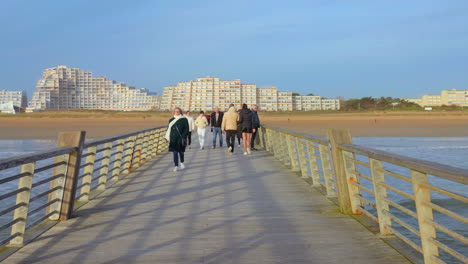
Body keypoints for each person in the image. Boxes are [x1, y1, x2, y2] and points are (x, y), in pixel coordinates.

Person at [165, 107, 189, 172]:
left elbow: (186, 129)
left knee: (181, 152)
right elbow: (169, 129)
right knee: (175, 152)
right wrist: (167, 138)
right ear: (174, 112)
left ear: (180, 112)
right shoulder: (171, 120)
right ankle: (176, 166)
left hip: (181, 138)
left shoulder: (184, 119)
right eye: (176, 111)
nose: (177, 112)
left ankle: (182, 162)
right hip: (173, 138)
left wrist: (183, 136)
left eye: (178, 111)